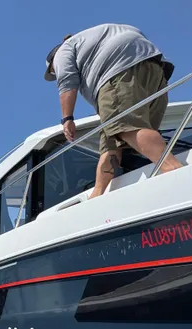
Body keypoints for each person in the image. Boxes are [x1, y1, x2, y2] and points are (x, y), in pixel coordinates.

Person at [44, 23, 184, 198]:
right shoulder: (93, 36)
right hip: (154, 68)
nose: (56, 73)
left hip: (117, 72)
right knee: (113, 142)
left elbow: (67, 83)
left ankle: (175, 171)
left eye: (53, 72)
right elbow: (136, 32)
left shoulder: (63, 51)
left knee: (129, 129)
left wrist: (67, 119)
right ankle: (98, 194)